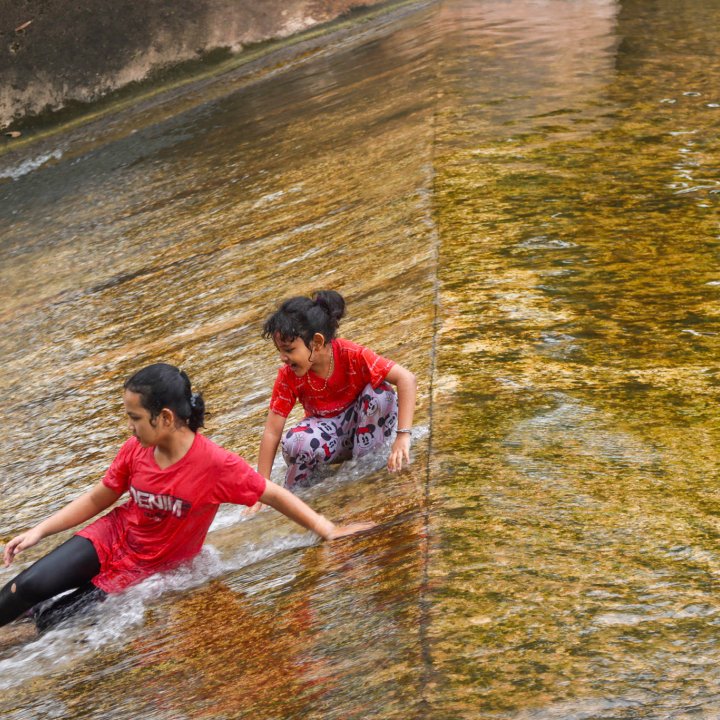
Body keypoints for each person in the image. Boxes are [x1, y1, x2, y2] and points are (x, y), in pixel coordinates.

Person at [0, 363, 372, 633]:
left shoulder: (215, 465)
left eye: (135, 417)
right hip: (110, 537)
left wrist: (329, 529)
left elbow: (273, 493)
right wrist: (39, 531)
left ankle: (35, 619)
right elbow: (100, 498)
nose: (130, 427)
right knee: (26, 587)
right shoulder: (135, 449)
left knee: (50, 621)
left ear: (164, 417)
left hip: (147, 566)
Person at [258, 290, 417, 490]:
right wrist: (261, 487)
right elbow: (272, 431)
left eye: (289, 350)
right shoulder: (287, 376)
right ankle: (309, 484)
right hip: (329, 439)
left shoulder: (351, 354)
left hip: (365, 428)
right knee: (294, 442)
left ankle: (367, 468)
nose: (283, 357)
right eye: (279, 351)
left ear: (316, 343)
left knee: (380, 394)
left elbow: (407, 379)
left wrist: (403, 436)